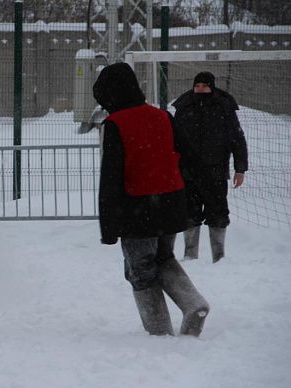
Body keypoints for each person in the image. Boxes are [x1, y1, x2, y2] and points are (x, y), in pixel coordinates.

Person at [93, 63, 209, 337]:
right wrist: (193, 201)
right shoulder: (163, 116)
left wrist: (108, 228)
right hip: (171, 203)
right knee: (163, 257)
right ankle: (193, 303)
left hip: (137, 208)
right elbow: (191, 159)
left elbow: (111, 179)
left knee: (141, 269)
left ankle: (159, 335)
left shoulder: (115, 124)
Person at [172, 71, 248, 263]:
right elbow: (174, 139)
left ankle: (219, 256)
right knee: (190, 213)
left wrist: (240, 168)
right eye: (197, 86)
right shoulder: (184, 106)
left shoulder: (223, 107)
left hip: (216, 171)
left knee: (218, 213)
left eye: (204, 86)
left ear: (211, 87)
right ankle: (190, 254)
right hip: (188, 171)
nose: (200, 89)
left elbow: (237, 139)